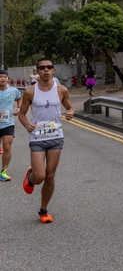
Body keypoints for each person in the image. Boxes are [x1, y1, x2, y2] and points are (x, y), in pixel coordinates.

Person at [18, 58, 74, 224]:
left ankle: (43, 210)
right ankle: (31, 177)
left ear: (53, 70)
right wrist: (27, 124)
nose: (46, 70)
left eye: (49, 67)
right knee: (40, 176)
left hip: (56, 136)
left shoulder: (61, 90)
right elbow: (22, 113)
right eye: (42, 68)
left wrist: (70, 113)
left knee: (50, 176)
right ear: (37, 72)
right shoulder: (30, 92)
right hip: (38, 137)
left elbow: (70, 107)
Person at [0, 70, 22, 181]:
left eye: (5, 77)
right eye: (0, 77)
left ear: (8, 79)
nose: (3, 78)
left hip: (8, 123)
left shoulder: (13, 91)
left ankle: (3, 171)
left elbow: (19, 97)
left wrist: (19, 107)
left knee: (7, 146)